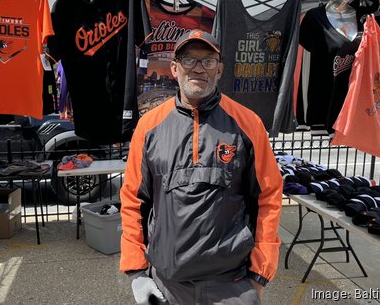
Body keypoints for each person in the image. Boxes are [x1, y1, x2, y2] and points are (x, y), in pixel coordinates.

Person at [120, 29, 283, 305]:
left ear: (219, 70)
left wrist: (259, 274)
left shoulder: (248, 124)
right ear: (174, 68)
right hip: (168, 284)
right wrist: (137, 273)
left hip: (232, 286)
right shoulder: (149, 127)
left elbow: (268, 196)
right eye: (189, 60)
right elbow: (134, 200)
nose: (198, 69)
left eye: (207, 61)